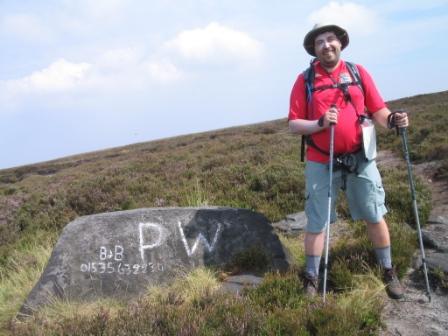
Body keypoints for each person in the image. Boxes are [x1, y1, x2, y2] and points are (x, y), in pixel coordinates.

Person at [288, 23, 408, 299]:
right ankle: (311, 277)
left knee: (374, 214)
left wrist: (392, 120)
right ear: (314, 49)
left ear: (340, 43)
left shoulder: (358, 72)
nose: (326, 45)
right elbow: (294, 124)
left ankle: (389, 271)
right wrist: (319, 123)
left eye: (331, 39)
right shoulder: (304, 80)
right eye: (320, 42)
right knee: (316, 221)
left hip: (360, 157)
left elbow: (377, 108)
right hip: (321, 158)